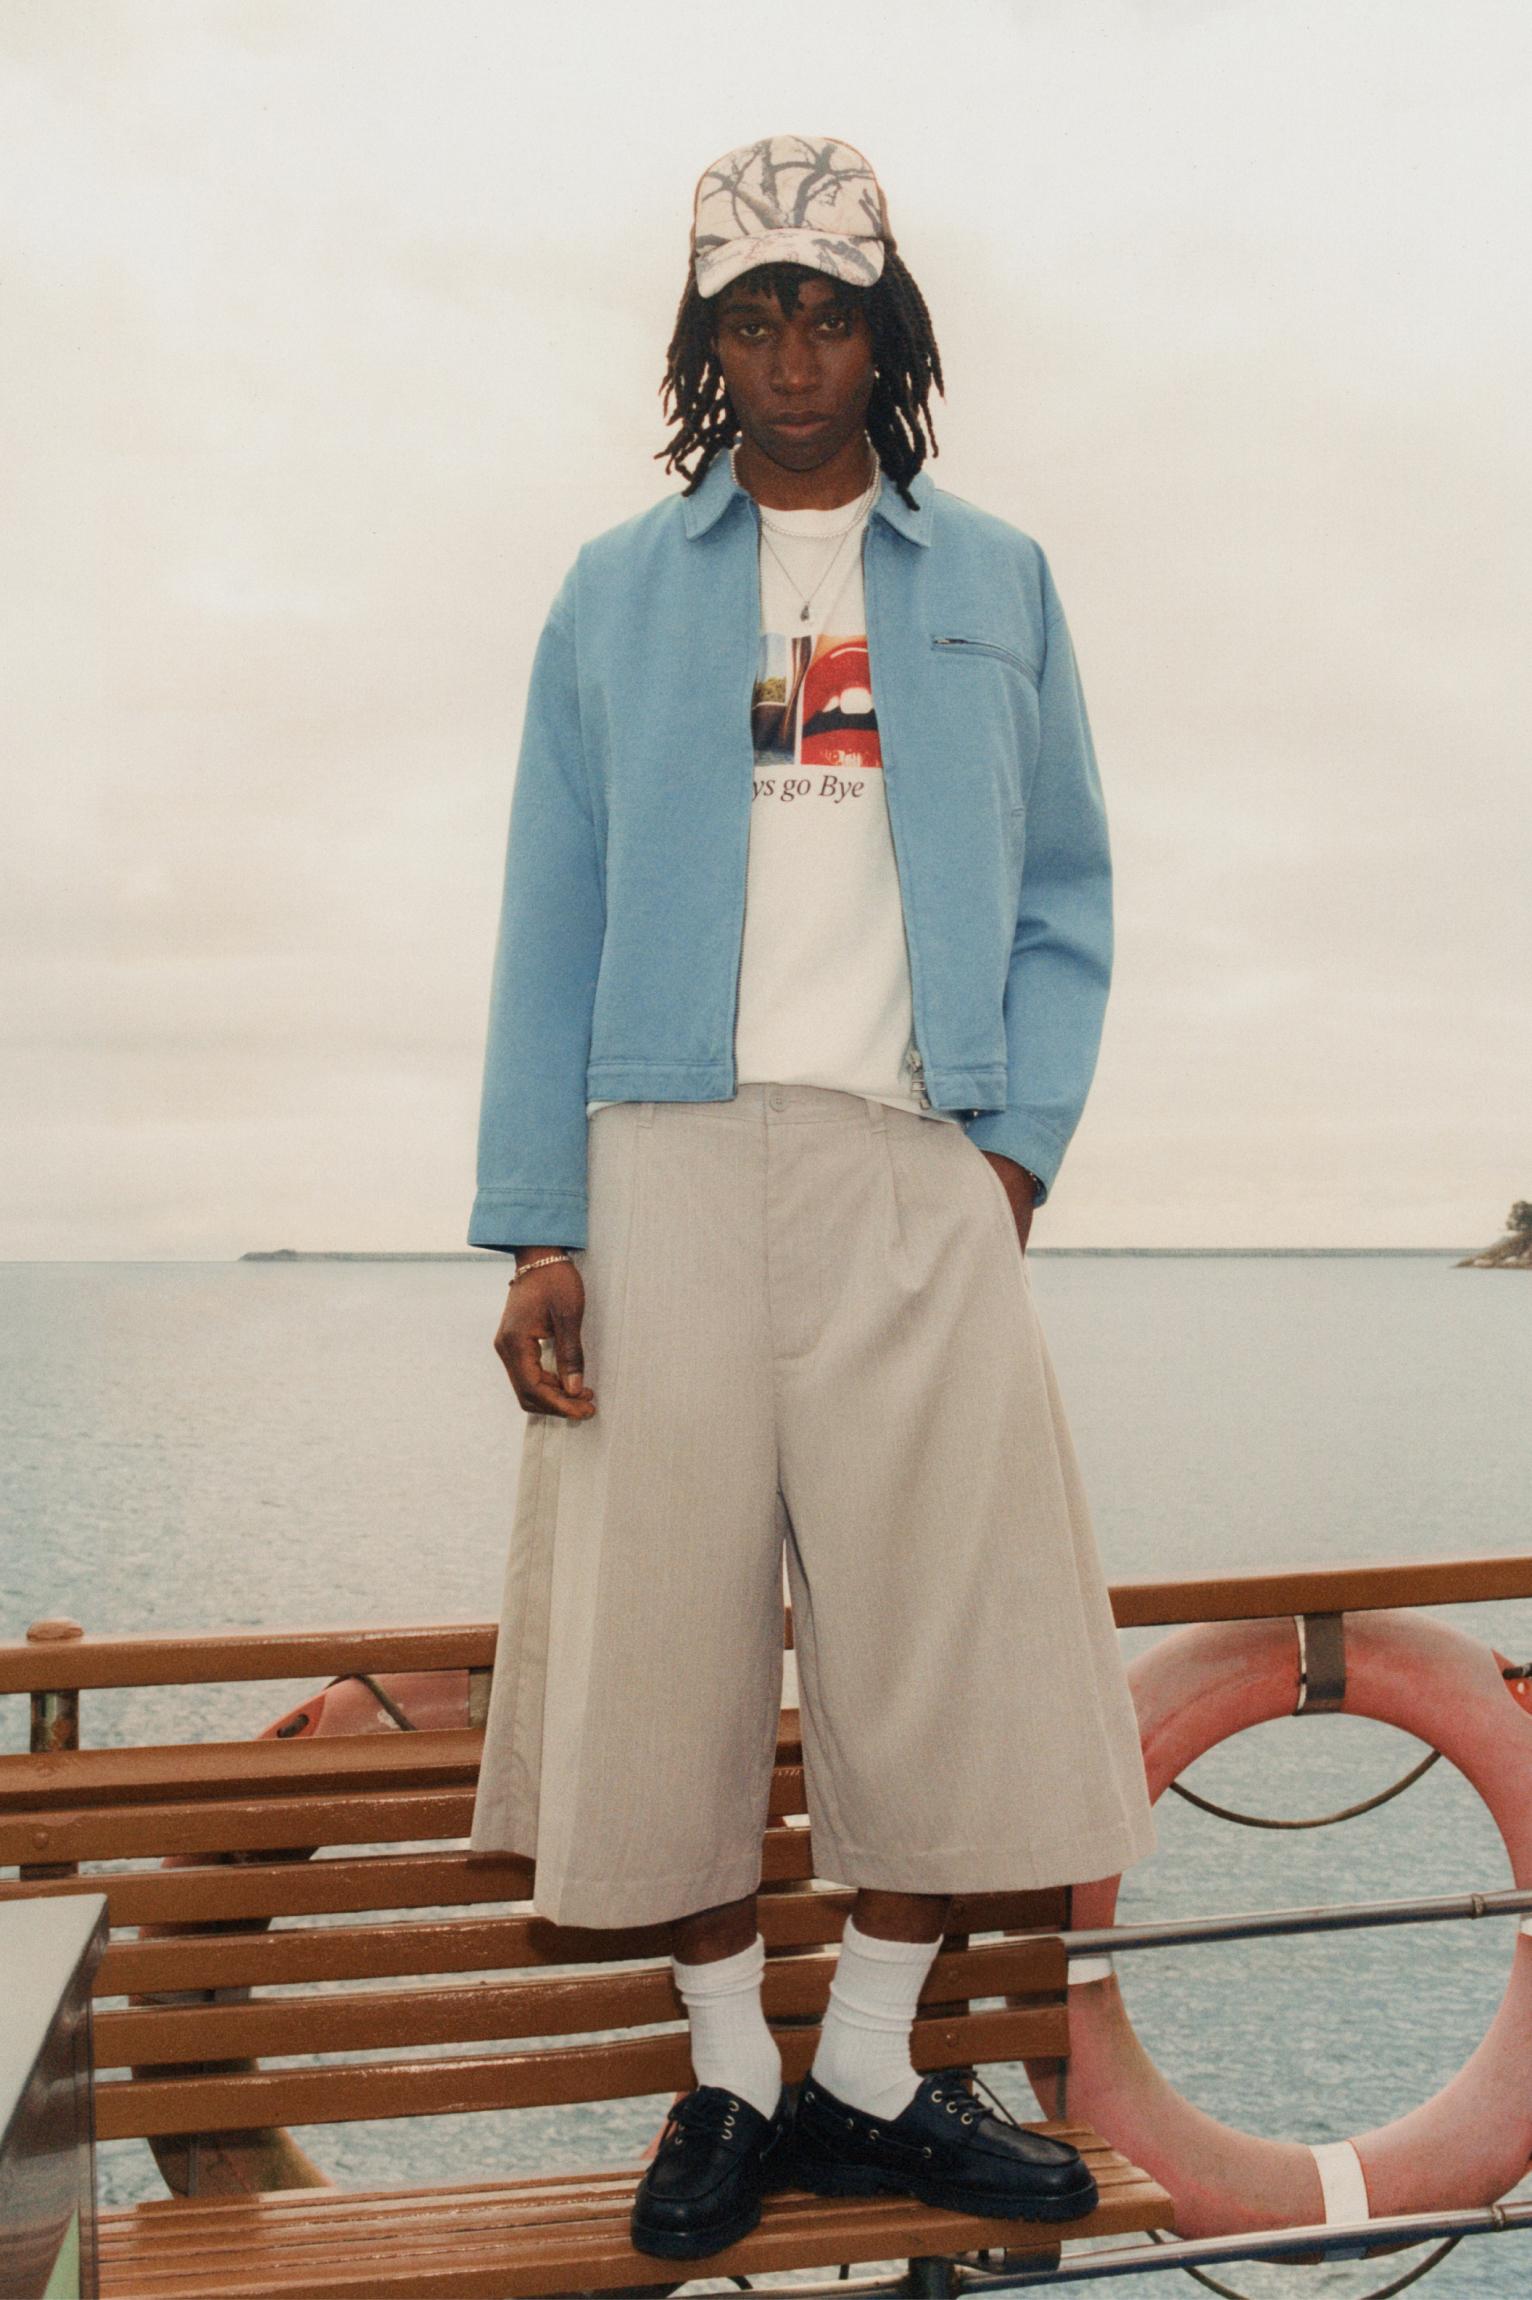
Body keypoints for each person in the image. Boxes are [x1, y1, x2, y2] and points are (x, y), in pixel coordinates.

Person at [465, 133, 1158, 2262]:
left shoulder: (1000, 582)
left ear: (885, 331)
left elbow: (1066, 890)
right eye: (752, 314)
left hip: (915, 1167)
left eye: (828, 313)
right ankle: (732, 2076)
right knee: (658, 1657)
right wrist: (541, 1221)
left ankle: (866, 2056)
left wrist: (1012, 1149)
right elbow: (550, 910)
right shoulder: (608, 592)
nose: (790, 354)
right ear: (707, 340)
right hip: (657, 1160)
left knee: (952, 1639)